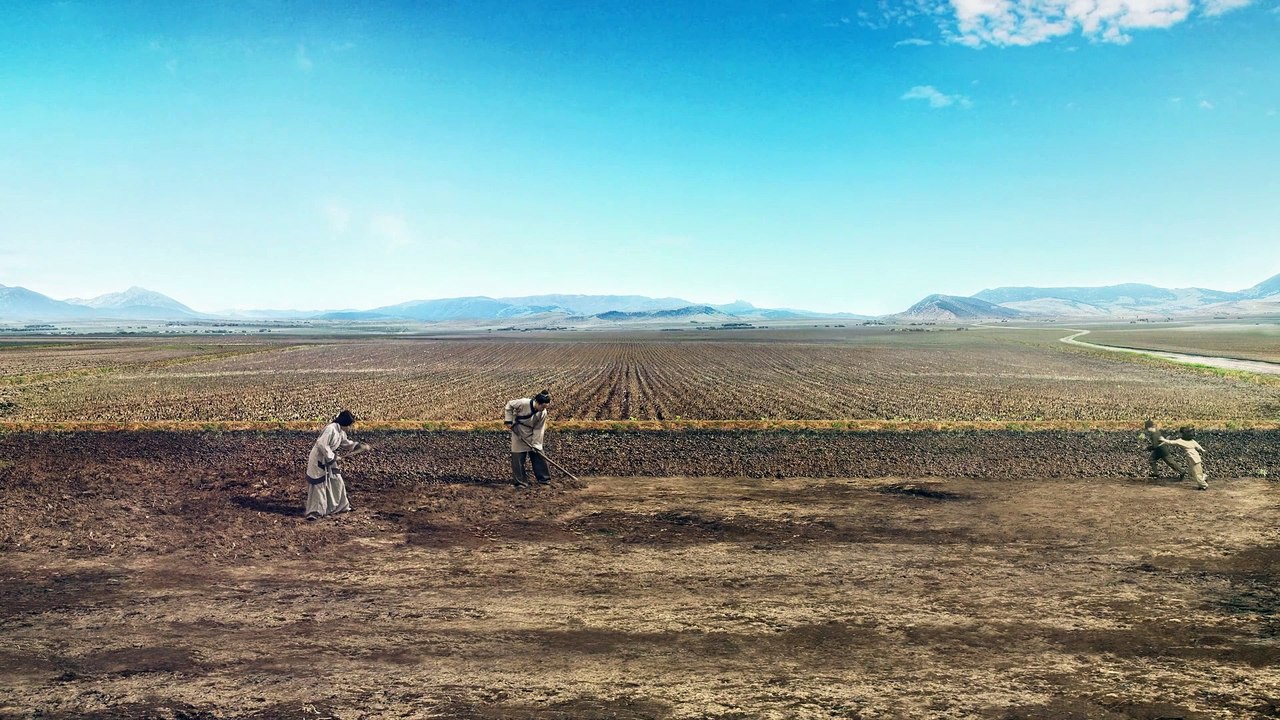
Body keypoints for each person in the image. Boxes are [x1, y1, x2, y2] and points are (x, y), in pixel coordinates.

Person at [304, 410, 371, 519]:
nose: (350, 428)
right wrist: (333, 457)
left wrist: (358, 446)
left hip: (328, 458)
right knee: (319, 485)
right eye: (349, 425)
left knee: (337, 480)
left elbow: (345, 442)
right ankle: (314, 512)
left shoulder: (340, 431)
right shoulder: (331, 429)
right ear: (345, 423)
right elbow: (321, 444)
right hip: (319, 458)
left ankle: (342, 506)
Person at [504, 390, 552, 488]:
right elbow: (509, 405)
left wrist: (535, 444)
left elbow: (539, 429)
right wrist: (508, 421)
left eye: (545, 407)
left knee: (538, 454)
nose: (543, 409)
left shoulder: (543, 413)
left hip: (532, 432)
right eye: (542, 407)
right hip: (518, 430)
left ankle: (544, 479)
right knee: (518, 457)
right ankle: (520, 482)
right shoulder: (523, 403)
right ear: (537, 402)